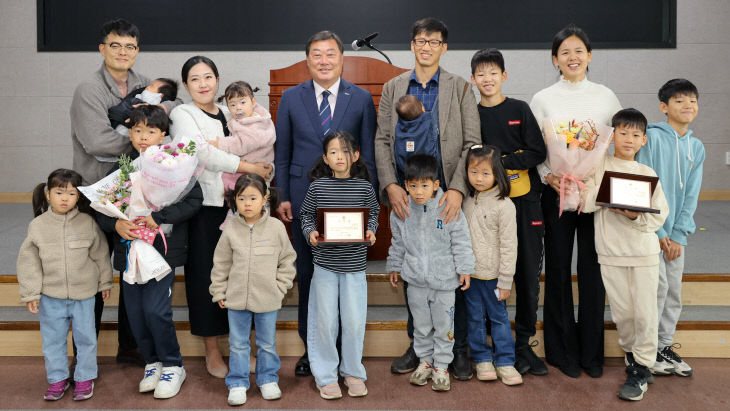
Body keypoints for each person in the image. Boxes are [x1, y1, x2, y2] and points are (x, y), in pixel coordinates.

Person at [374, 17, 480, 380]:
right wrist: (390, 185)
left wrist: (456, 189)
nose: (426, 46)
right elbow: (382, 140)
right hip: (407, 194)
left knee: (452, 273)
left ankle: (456, 350)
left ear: (444, 47)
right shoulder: (392, 87)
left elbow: (471, 143)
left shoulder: (461, 87)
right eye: (420, 40)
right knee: (415, 272)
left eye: (434, 41)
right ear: (412, 45)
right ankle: (418, 348)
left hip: (446, 193)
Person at [71, 18, 178, 365]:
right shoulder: (89, 89)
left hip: (140, 195)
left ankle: (131, 347)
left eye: (130, 46)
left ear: (137, 50)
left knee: (136, 266)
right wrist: (142, 140)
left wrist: (149, 135)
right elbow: (96, 141)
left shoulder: (147, 84)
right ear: (102, 48)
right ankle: (84, 356)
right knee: (96, 269)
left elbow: (168, 121)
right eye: (115, 45)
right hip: (100, 193)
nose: (122, 51)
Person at [274, 30, 378, 377]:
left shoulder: (361, 98)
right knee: (310, 276)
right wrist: (284, 195)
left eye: (330, 54)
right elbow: (283, 152)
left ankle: (342, 353)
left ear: (341, 58)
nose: (324, 61)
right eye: (316, 54)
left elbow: (369, 154)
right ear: (308, 60)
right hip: (306, 198)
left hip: (350, 201)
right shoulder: (290, 97)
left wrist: (370, 203)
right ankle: (312, 349)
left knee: (346, 276)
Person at [169, 55, 272, 378]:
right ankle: (212, 351)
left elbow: (259, 136)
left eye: (209, 77)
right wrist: (249, 167)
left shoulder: (231, 111)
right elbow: (202, 153)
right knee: (204, 278)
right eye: (195, 79)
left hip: (241, 208)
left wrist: (262, 169)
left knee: (243, 275)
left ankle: (243, 347)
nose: (203, 84)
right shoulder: (182, 113)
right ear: (186, 85)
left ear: (217, 80)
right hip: (205, 208)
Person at [529, 24, 622, 378]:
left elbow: (615, 144)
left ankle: (591, 353)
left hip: (595, 195)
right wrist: (547, 175)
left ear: (590, 56)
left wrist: (597, 179)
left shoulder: (606, 96)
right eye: (564, 52)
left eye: (579, 51)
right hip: (557, 193)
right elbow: (536, 148)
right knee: (556, 269)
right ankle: (560, 350)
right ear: (555, 59)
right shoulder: (543, 98)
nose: (572, 57)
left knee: (592, 271)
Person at [95, 105, 202, 399]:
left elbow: (194, 200)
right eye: (138, 130)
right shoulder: (121, 167)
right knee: (136, 314)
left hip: (160, 251)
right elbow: (102, 210)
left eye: (151, 131)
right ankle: (152, 362)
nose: (143, 137)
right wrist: (116, 225)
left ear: (163, 134)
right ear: (130, 133)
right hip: (130, 249)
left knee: (157, 310)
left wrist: (161, 217)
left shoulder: (176, 162)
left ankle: (173, 364)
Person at [470, 48, 548, 376]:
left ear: (504, 76)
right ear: (473, 80)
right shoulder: (472, 114)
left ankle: (524, 345)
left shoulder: (520, 109)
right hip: (485, 208)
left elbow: (536, 152)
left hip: (525, 202)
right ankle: (489, 349)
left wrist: (500, 161)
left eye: (493, 73)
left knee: (528, 275)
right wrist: (505, 159)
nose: (487, 79)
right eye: (480, 74)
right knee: (486, 275)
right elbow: (470, 159)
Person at [583, 108, 669, 400]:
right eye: (622, 133)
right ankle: (635, 358)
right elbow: (585, 202)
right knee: (623, 313)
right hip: (610, 252)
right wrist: (610, 198)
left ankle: (643, 367)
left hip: (643, 254)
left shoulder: (647, 173)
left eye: (635, 134)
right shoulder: (599, 166)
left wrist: (634, 215)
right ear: (612, 136)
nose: (629, 139)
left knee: (645, 312)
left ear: (644, 140)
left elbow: (659, 217)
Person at [17, 169, 113, 401]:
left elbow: (101, 254)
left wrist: (105, 282)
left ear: (78, 197)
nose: (64, 198)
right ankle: (57, 379)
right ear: (48, 194)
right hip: (51, 296)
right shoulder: (38, 226)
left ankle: (84, 378)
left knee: (86, 339)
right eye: (59, 192)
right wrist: (31, 292)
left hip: (84, 295)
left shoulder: (88, 223)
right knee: (53, 341)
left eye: (71, 194)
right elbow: (29, 262)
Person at [299, 131, 380, 399]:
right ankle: (325, 375)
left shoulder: (364, 187)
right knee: (325, 322)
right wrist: (310, 232)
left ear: (355, 155)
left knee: (354, 322)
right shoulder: (317, 187)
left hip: (355, 268)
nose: (339, 157)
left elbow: (374, 214)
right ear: (325, 158)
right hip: (324, 266)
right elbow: (306, 215)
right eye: (333, 152)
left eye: (345, 151)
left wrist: (370, 230)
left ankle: (353, 371)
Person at [387, 153, 474, 391]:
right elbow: (398, 242)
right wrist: (395, 265)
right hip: (415, 281)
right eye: (413, 185)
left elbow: (461, 240)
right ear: (405, 185)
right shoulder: (401, 211)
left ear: (435, 185)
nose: (418, 192)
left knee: (445, 326)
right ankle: (425, 362)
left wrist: (465, 268)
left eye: (425, 186)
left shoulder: (448, 207)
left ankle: (442, 367)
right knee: (421, 326)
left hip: (445, 281)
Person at [635, 79, 704, 377]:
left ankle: (664, 345)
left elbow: (692, 192)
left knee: (673, 290)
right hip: (652, 231)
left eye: (692, 100)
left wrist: (678, 235)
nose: (688, 105)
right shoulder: (651, 138)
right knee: (656, 289)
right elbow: (644, 187)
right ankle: (646, 347)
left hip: (677, 235)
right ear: (664, 107)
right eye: (679, 100)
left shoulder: (697, 147)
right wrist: (661, 234)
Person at [209, 174, 296, 406]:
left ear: (265, 198)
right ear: (234, 200)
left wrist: (280, 288)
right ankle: (237, 383)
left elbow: (288, 260)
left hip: (268, 299)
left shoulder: (276, 227)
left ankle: (268, 379)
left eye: (253, 197)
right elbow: (221, 263)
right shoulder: (230, 229)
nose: (247, 203)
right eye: (241, 198)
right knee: (238, 344)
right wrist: (219, 291)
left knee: (267, 343)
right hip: (235, 300)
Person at [462, 145, 522, 386]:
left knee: (498, 319)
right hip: (470, 276)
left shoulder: (504, 205)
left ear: (498, 173)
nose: (479, 178)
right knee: (474, 318)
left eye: (485, 173)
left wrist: (506, 280)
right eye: (474, 172)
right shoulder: (465, 201)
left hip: (495, 278)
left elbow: (510, 246)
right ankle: (482, 358)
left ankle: (506, 361)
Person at [211, 81, 276, 189]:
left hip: (254, 165)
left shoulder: (254, 124)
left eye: (242, 103)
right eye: (232, 104)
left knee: (227, 180)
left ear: (253, 102)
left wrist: (220, 143)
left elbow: (242, 145)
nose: (238, 108)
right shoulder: (254, 117)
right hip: (255, 165)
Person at [393, 95, 437, 186]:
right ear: (422, 107)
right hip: (427, 169)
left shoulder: (399, 126)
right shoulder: (428, 120)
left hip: (407, 171)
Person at [108, 78, 178, 135]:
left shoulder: (156, 111)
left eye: (151, 86)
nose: (146, 88)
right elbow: (116, 111)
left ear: (159, 95)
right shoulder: (136, 97)